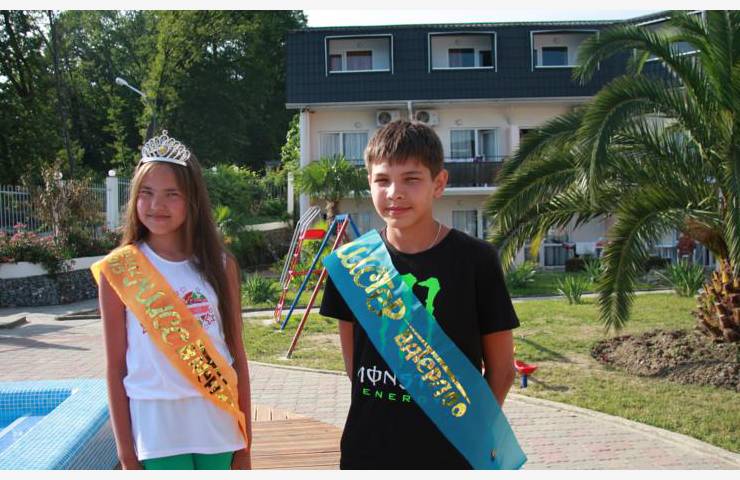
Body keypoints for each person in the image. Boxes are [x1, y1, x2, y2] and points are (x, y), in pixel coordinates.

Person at [319, 120, 522, 469]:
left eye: (411, 179)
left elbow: (502, 370)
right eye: (382, 180)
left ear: (438, 183)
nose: (394, 192)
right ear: (369, 183)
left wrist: (473, 432)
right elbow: (356, 366)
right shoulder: (351, 264)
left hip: (451, 452)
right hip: (367, 448)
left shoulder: (476, 261)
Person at [93, 131, 252, 470]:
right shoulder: (119, 270)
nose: (156, 205)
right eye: (146, 193)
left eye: (171, 194)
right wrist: (125, 453)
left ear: (192, 199)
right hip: (155, 426)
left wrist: (246, 446)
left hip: (217, 417)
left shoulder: (221, 265)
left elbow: (237, 356)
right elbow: (115, 368)